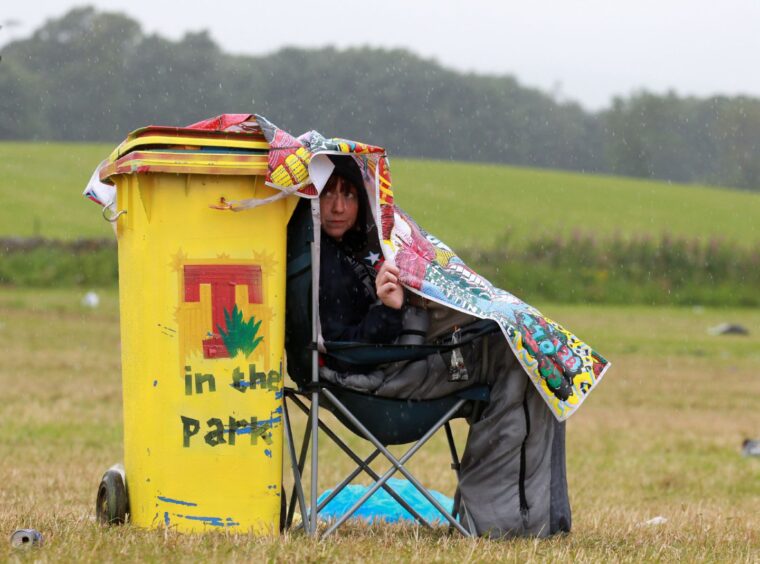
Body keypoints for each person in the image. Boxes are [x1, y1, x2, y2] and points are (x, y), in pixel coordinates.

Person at [317, 156, 572, 538]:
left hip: (391, 363)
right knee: (522, 358)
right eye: (328, 194)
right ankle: (505, 522)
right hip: (373, 379)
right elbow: (343, 347)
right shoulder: (323, 259)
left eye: (349, 194)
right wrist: (389, 313)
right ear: (310, 197)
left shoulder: (348, 248)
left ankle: (518, 515)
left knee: (525, 347)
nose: (338, 206)